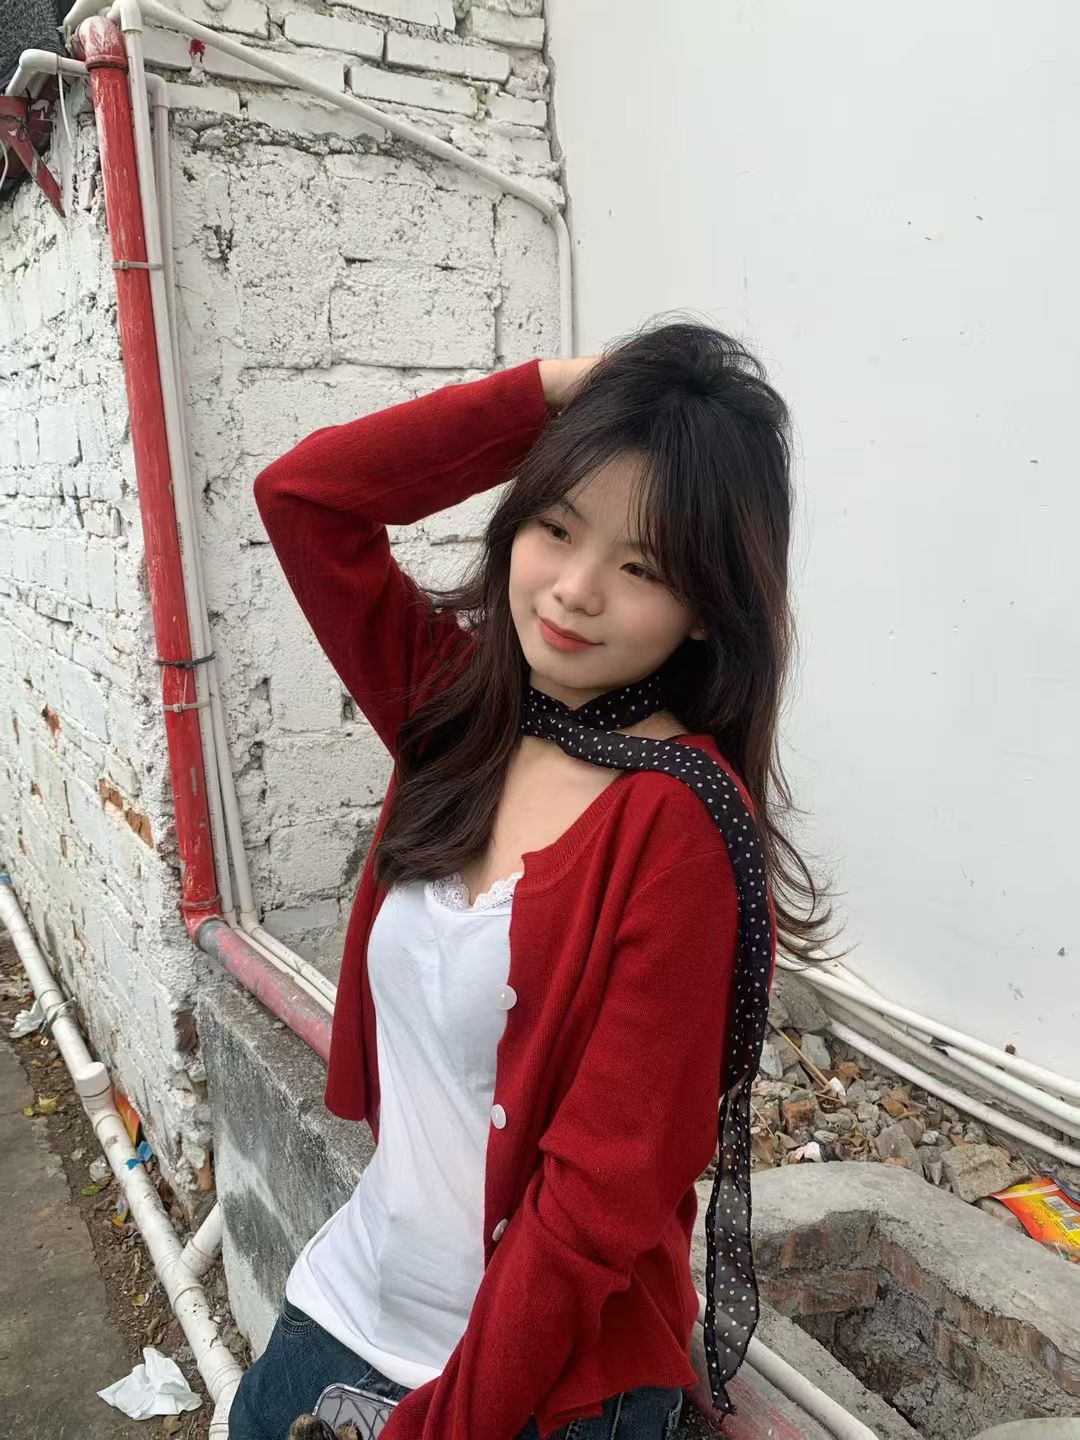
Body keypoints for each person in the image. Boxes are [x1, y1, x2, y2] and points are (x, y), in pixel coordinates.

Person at [230, 319, 837, 1440]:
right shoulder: (459, 710)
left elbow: (597, 1203)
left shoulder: (683, 829)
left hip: (539, 1391)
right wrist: (551, 394)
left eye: (642, 567)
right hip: (341, 1312)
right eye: (556, 526)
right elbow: (305, 498)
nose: (573, 591)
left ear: (707, 609)